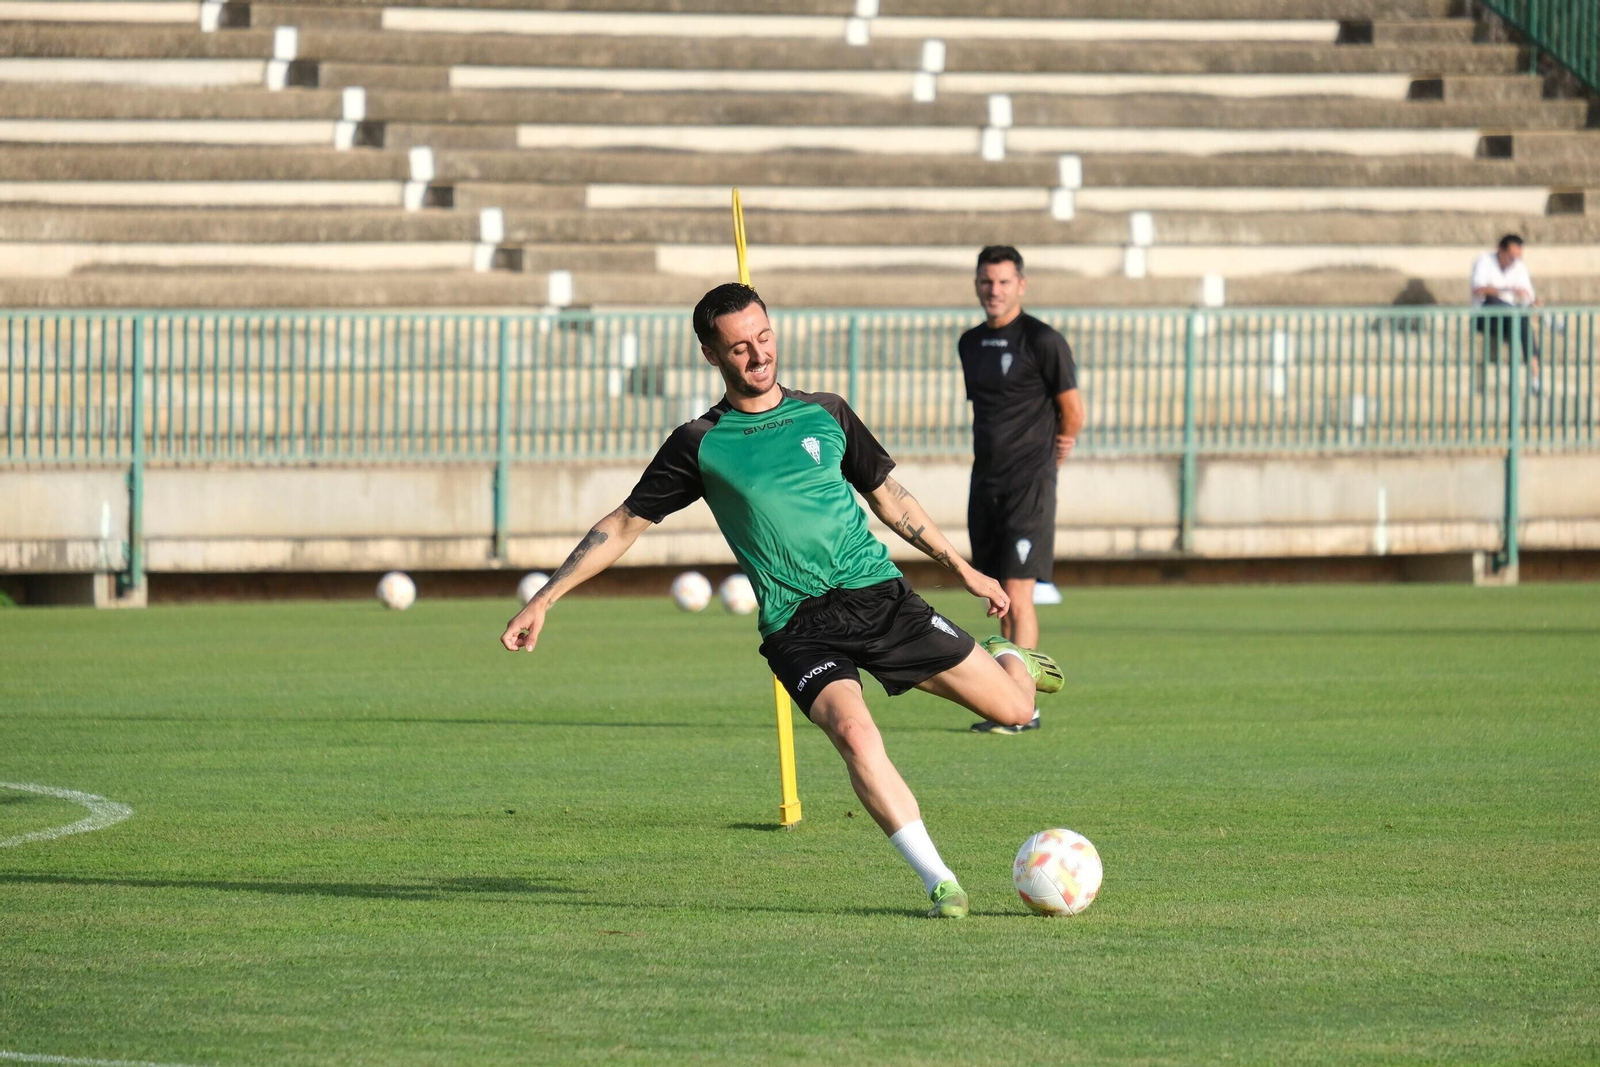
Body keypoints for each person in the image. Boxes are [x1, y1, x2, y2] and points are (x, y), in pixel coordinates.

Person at [500, 283, 1063, 919]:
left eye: (763, 338)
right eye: (738, 347)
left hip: (881, 599)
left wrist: (962, 568)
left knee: (1016, 707)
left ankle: (1007, 657)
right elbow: (624, 524)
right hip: (799, 628)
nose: (757, 355)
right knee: (854, 732)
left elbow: (890, 499)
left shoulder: (827, 413)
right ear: (711, 356)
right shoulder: (699, 443)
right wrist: (546, 597)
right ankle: (941, 883)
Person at [958, 246, 1085, 734]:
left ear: (1021, 286)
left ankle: (1024, 707)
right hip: (984, 481)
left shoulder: (1043, 340)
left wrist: (1049, 459)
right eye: (987, 282)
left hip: (1029, 483)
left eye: (1004, 282)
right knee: (996, 597)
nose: (994, 291)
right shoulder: (970, 343)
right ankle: (1006, 701)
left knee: (1018, 591)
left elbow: (1072, 410)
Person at [1471, 233, 1542, 393]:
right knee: (1494, 300)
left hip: (1511, 319)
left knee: (1522, 319)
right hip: (1486, 318)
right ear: (1500, 251)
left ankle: (1535, 377)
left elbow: (1527, 296)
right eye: (1511, 257)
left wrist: (1533, 302)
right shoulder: (1484, 261)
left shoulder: (1519, 267)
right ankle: (1535, 377)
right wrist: (1508, 290)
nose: (1514, 261)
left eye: (1517, 257)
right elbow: (1479, 289)